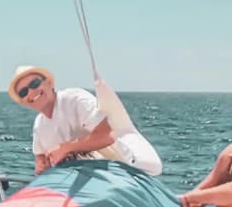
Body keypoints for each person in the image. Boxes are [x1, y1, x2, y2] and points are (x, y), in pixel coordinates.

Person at [9, 65, 140, 175]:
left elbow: (107, 136)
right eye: (23, 92)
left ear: (49, 83)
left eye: (34, 83)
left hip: (112, 172)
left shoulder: (75, 99)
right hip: (71, 181)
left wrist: (66, 148)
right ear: (24, 102)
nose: (31, 92)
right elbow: (40, 160)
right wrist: (42, 166)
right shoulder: (39, 124)